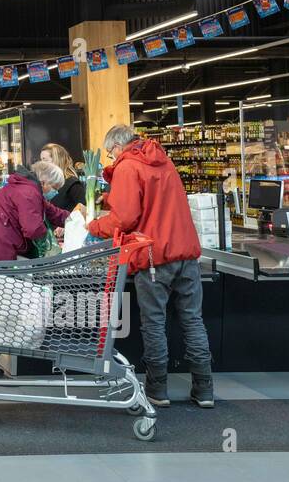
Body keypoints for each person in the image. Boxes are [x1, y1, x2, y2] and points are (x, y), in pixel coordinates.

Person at [87, 123, 214, 409]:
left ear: (117, 146)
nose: (111, 158)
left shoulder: (128, 167)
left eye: (110, 153)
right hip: (186, 252)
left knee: (154, 324)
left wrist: (94, 226)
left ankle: (158, 389)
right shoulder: (163, 160)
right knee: (193, 321)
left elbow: (124, 218)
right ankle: (204, 389)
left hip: (154, 256)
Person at [0, 160, 84, 377]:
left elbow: (51, 212)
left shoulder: (24, 187)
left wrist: (76, 220)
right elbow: (33, 228)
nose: (54, 192)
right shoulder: (28, 192)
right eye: (54, 187)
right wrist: (49, 244)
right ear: (44, 182)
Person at [40, 143, 86, 209]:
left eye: (45, 160)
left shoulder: (73, 185)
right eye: (41, 160)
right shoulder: (48, 185)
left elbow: (84, 209)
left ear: (57, 160)